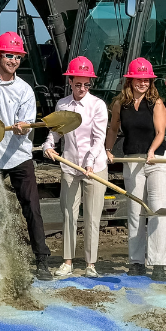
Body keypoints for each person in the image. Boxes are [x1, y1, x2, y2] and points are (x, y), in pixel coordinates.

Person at [0, 32, 52, 280]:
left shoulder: (24, 90)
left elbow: (26, 123)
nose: (13, 61)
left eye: (17, 57)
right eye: (9, 55)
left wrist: (23, 127)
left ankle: (42, 260)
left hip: (17, 155)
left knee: (32, 208)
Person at [105, 58, 166, 279]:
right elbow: (113, 129)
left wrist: (151, 150)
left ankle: (158, 263)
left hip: (157, 161)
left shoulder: (156, 103)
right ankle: (136, 262)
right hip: (132, 159)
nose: (142, 83)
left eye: (146, 80)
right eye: (138, 79)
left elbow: (160, 132)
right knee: (135, 212)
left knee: (157, 210)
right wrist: (108, 149)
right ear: (130, 81)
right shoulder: (120, 104)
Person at [42, 56, 108, 278]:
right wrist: (48, 145)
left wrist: (89, 162)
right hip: (70, 166)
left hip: (94, 167)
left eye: (86, 84)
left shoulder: (97, 105)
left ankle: (90, 264)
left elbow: (98, 139)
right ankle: (67, 261)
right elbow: (56, 131)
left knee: (92, 217)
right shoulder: (62, 105)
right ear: (70, 82)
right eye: (78, 84)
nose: (82, 89)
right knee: (69, 213)